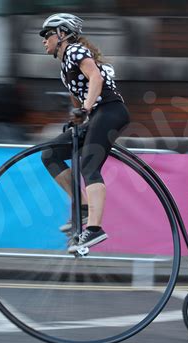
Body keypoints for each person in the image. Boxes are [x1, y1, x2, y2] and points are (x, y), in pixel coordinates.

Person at [39, 13, 130, 253]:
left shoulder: (75, 51)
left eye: (46, 34)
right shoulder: (65, 66)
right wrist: (77, 117)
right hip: (97, 115)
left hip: (111, 112)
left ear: (62, 34)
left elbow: (96, 79)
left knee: (89, 166)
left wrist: (85, 109)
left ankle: (95, 229)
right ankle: (81, 206)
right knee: (50, 154)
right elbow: (78, 95)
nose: (43, 40)